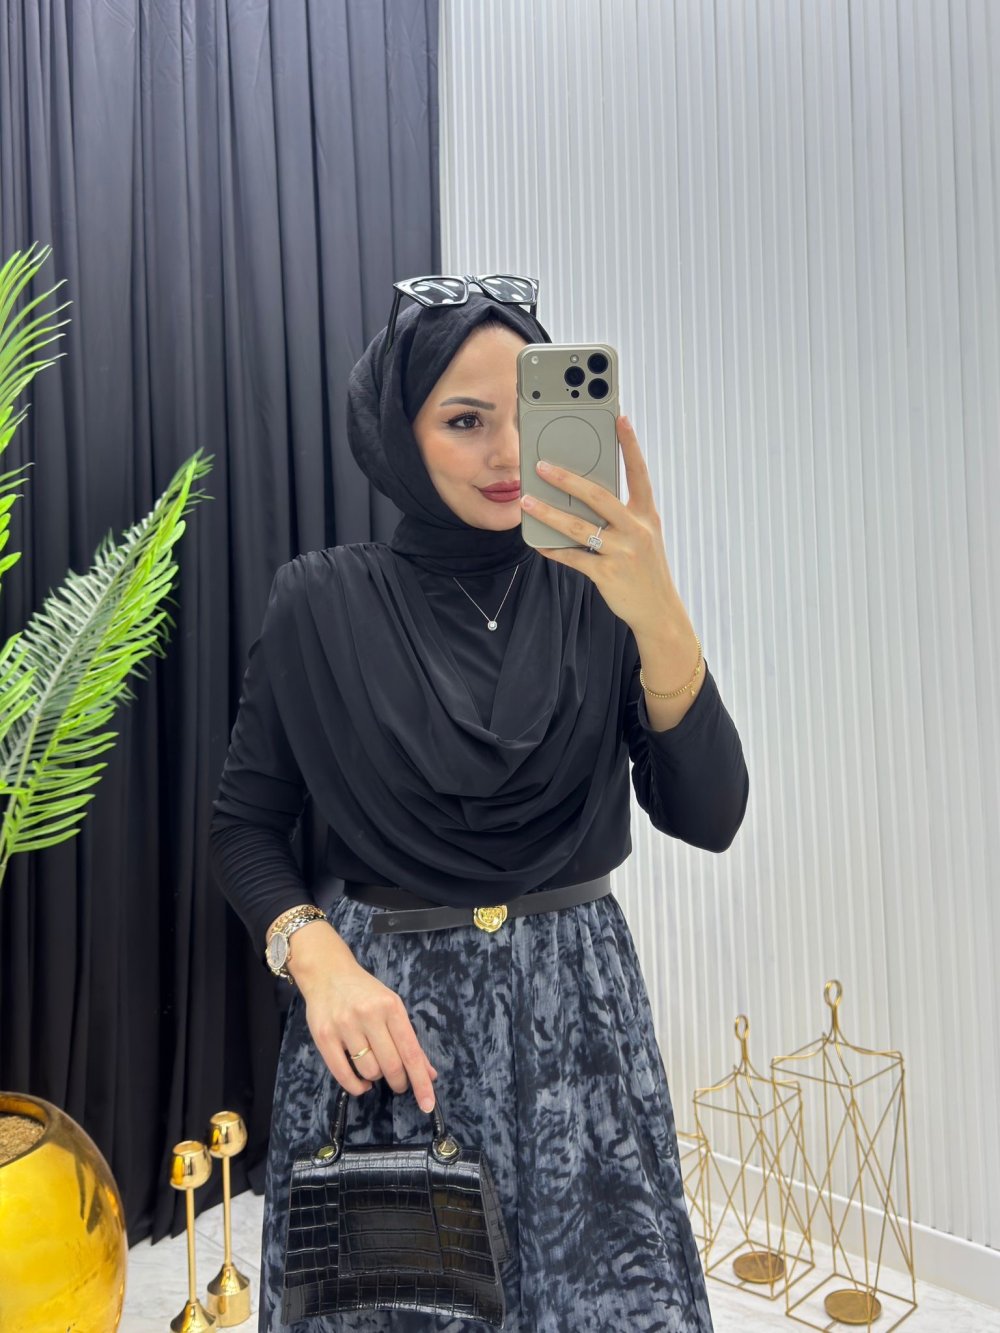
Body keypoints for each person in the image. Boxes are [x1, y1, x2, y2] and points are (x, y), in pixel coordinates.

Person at [209, 284, 749, 1332]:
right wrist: (317, 961)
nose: (507, 452)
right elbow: (244, 824)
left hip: (580, 1025)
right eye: (465, 420)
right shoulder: (320, 600)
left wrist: (660, 613)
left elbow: (709, 812)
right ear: (397, 434)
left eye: (526, 415)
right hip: (392, 1031)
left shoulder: (598, 592)